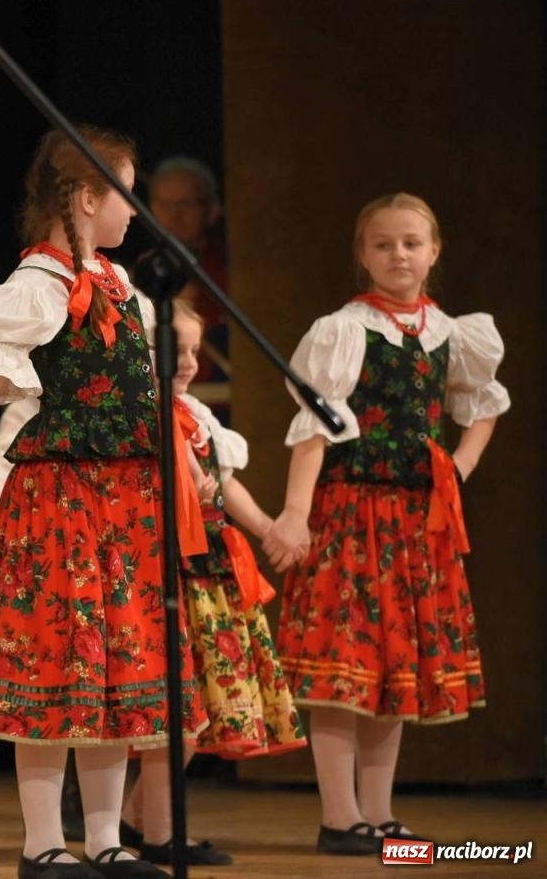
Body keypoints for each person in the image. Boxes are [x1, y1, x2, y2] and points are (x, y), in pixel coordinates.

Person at [0, 126, 204, 879]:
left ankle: (106, 838)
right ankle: (43, 842)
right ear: (85, 198)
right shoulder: (40, 286)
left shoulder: (116, 284)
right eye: (125, 195)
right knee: (55, 666)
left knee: (115, 671)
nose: (135, 213)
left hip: (126, 505)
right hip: (65, 502)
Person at [270, 193, 507, 855]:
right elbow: (314, 430)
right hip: (353, 510)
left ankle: (377, 813)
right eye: (382, 244)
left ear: (434, 251)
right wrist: (295, 512)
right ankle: (340, 817)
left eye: (410, 242)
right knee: (343, 669)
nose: (398, 254)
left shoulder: (450, 331)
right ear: (361, 255)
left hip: (415, 521)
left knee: (394, 670)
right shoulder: (345, 329)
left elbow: (483, 404)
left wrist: (458, 465)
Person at [120, 299, 305, 867]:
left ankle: (142, 820)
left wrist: (271, 527)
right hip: (161, 567)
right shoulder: (133, 410)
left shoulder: (194, 415)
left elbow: (225, 483)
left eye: (195, 349)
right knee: (178, 710)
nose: (187, 361)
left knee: (199, 706)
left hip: (207, 570)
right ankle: (153, 830)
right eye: (171, 348)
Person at [144, 156, 229, 418]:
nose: (173, 215)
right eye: (164, 204)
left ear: (212, 209)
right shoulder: (140, 272)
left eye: (185, 204)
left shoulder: (231, 271)